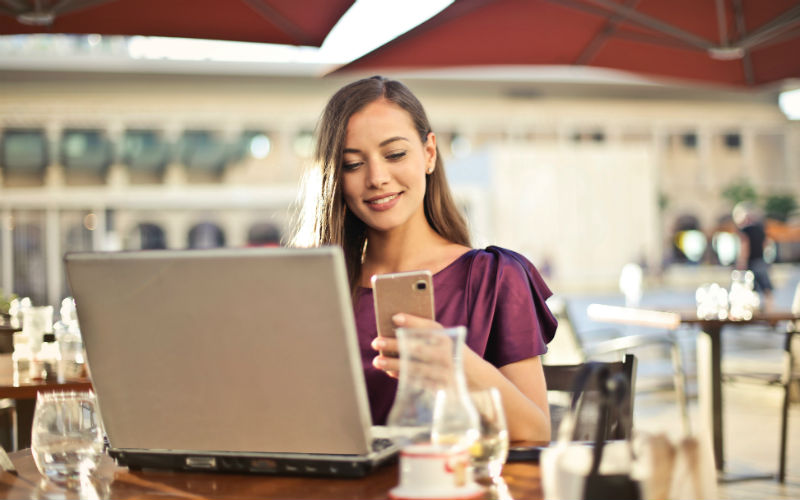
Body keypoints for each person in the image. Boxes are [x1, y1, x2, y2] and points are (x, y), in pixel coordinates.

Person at [289, 76, 557, 442]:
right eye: (353, 164)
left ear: (429, 153)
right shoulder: (313, 288)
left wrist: (456, 365)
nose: (377, 178)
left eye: (395, 154)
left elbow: (537, 431)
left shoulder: (494, 277)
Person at [733, 201, 774, 311]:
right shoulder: (760, 229)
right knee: (766, 288)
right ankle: (769, 310)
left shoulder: (744, 230)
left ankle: (748, 310)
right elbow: (766, 243)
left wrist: (741, 262)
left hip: (750, 262)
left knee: (747, 286)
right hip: (760, 260)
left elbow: (745, 246)